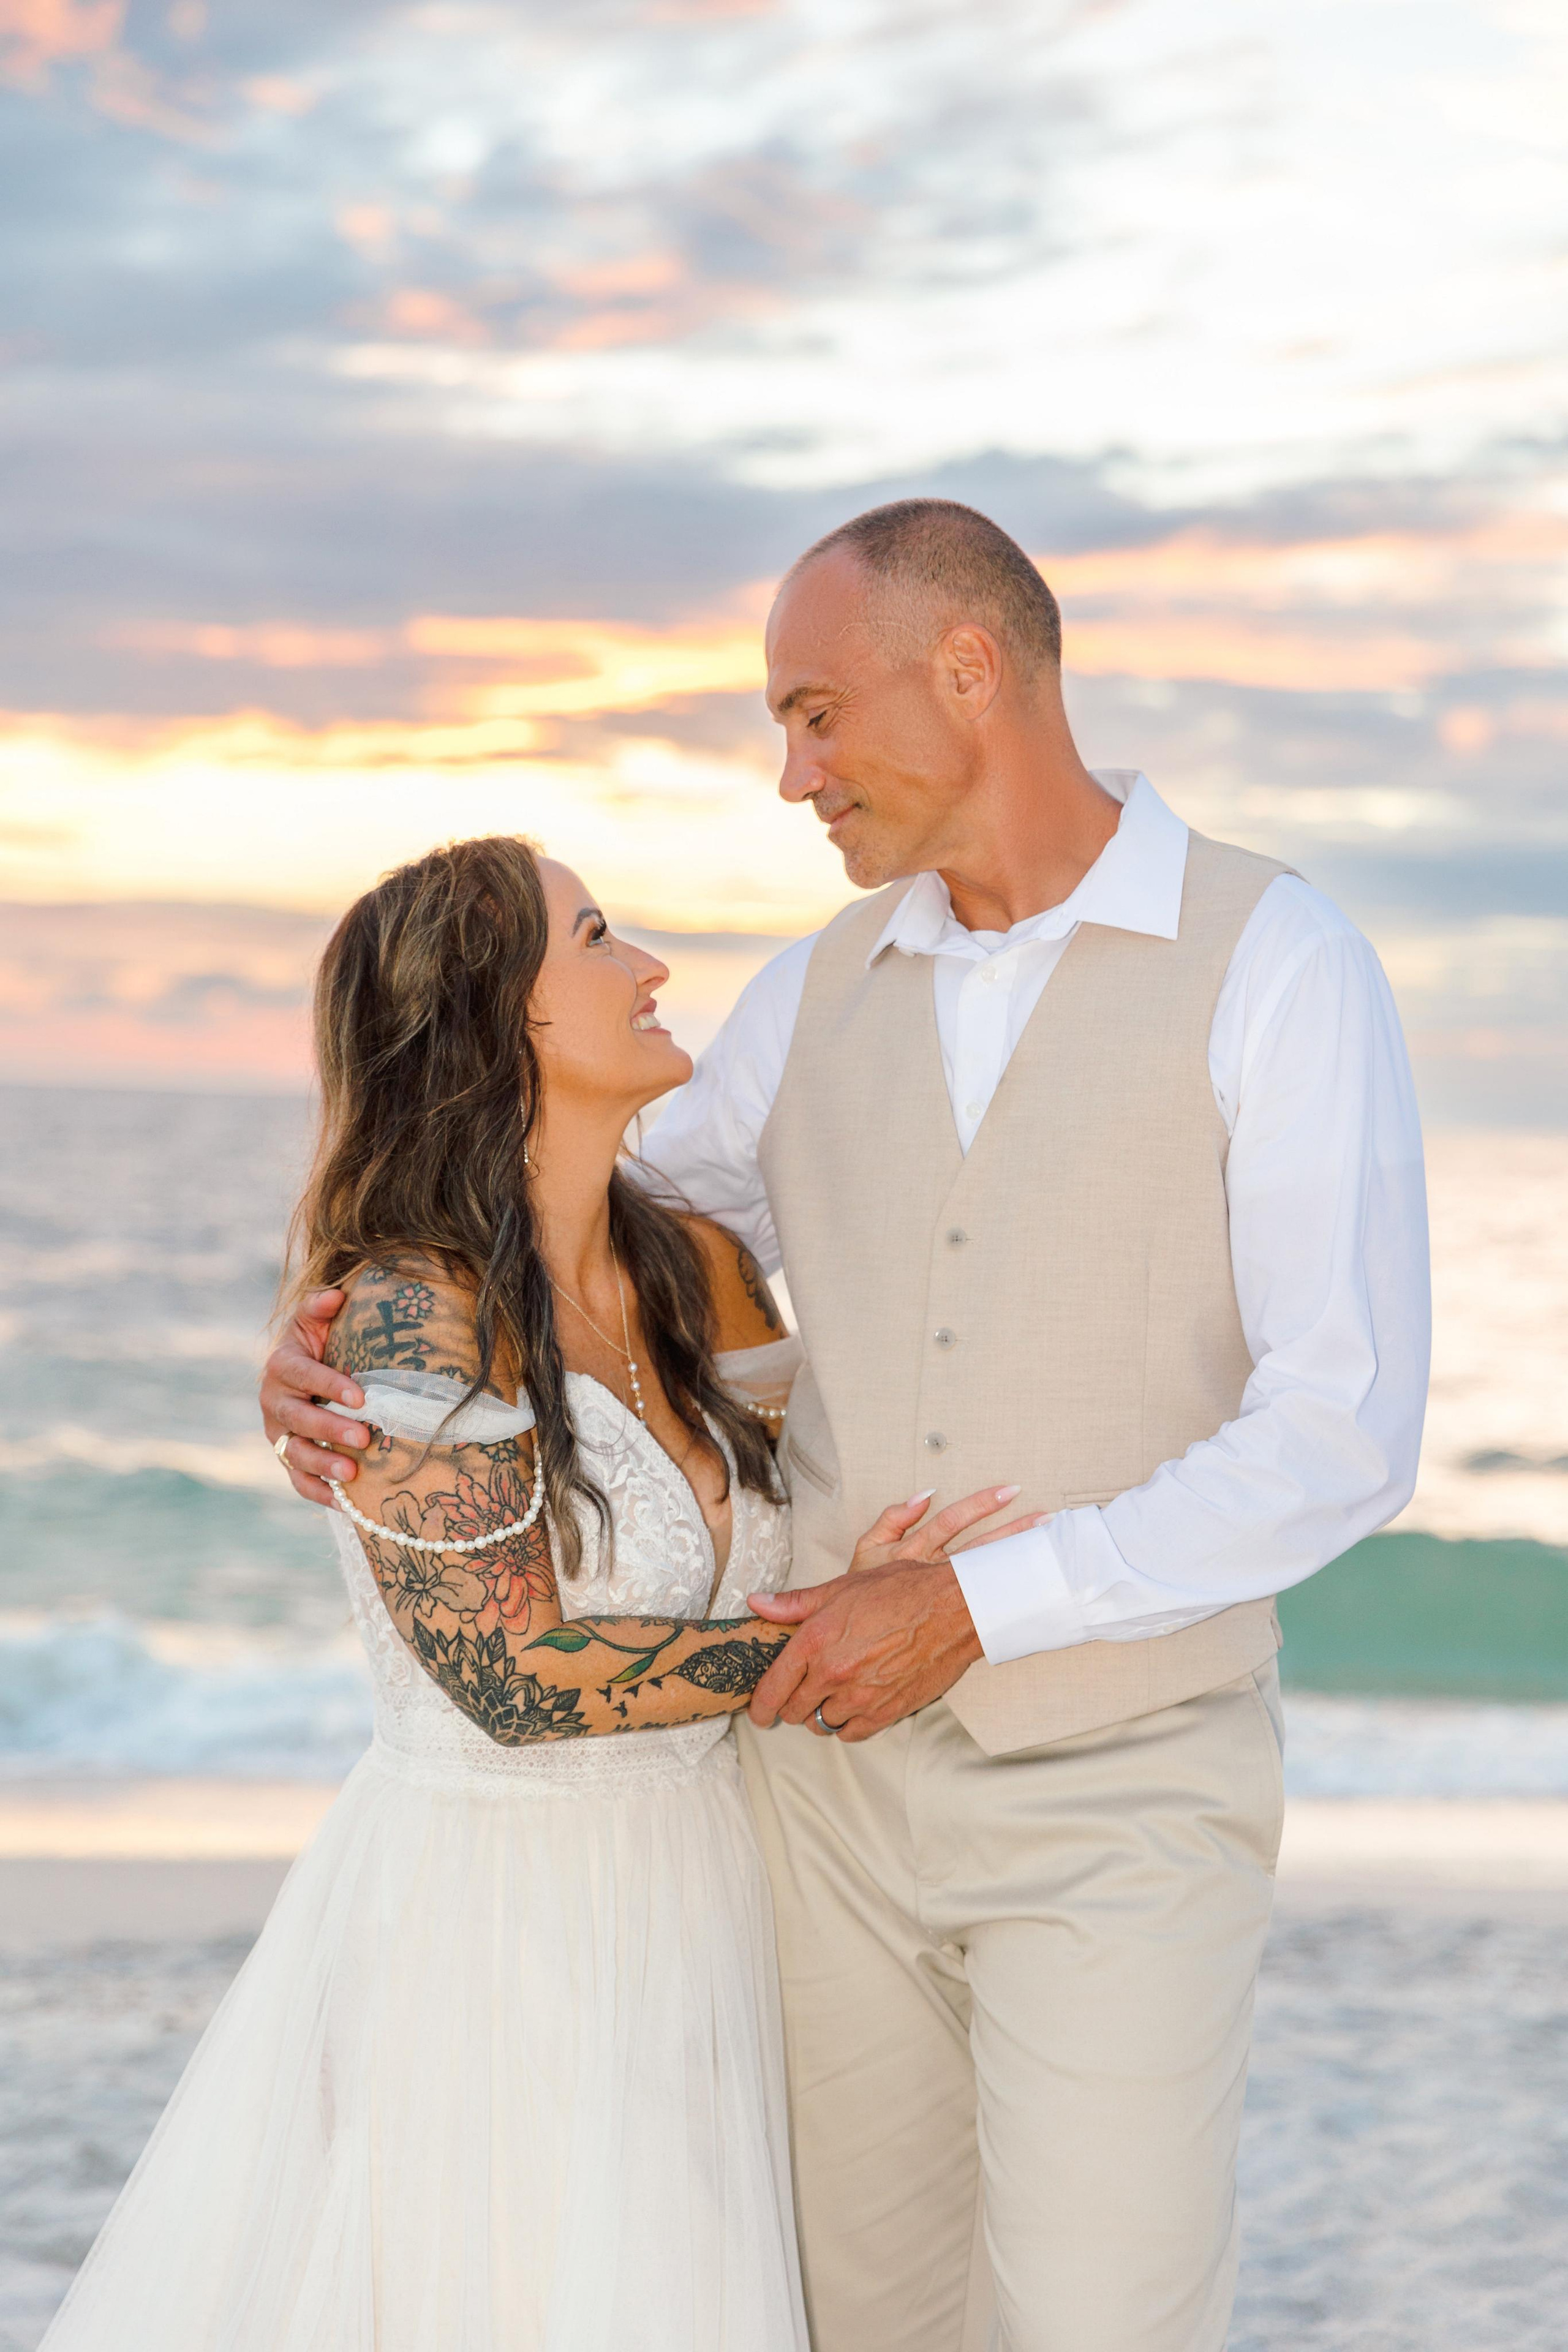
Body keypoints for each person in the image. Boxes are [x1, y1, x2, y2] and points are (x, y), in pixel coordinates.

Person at [263, 499, 1430, 2352]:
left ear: (970, 673)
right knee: (856, 2320)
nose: (790, 774)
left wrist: (981, 1610)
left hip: (1116, 1787)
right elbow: (554, 1203)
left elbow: (1344, 1431)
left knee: (1102, 2321)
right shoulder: (818, 989)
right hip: (810, 1806)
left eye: (815, 713)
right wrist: (337, 1331)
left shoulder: (1277, 961)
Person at [46, 832, 1030, 2352]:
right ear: (496, 1015)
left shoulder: (698, 1267)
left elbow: (803, 1491)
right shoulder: (401, 1312)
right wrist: (847, 1640)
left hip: (707, 1890)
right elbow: (510, 1674)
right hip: (494, 1920)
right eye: (596, 937)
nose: (645, 966)